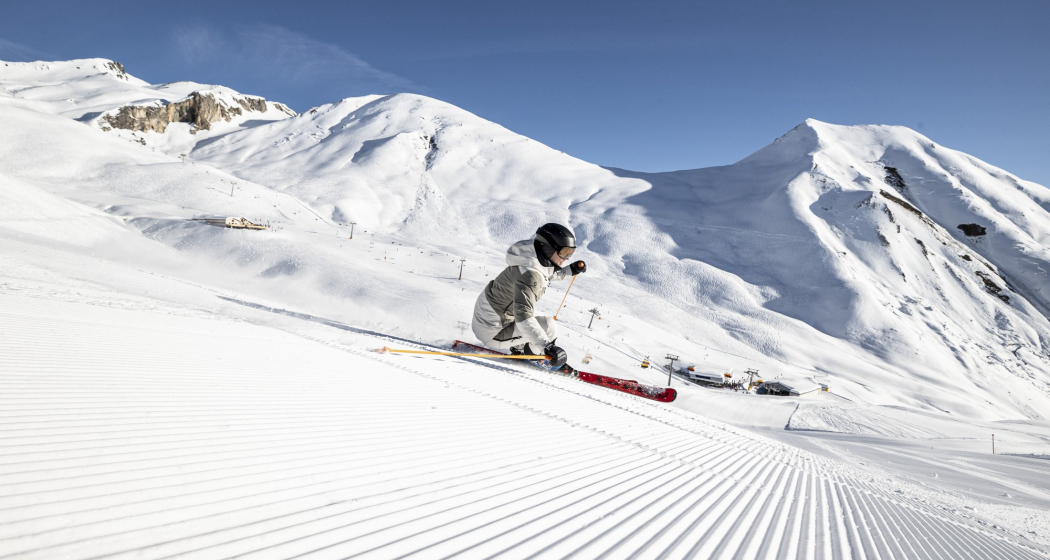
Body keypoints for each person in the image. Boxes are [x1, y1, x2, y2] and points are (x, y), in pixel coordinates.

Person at [471, 223, 587, 369]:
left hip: (489, 319)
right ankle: (536, 358)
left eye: (570, 253)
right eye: (564, 252)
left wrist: (570, 270)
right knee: (548, 327)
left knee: (538, 325)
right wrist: (547, 347)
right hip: (493, 330)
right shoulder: (530, 275)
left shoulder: (532, 258)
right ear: (548, 248)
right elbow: (523, 317)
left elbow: (546, 273)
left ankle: (520, 348)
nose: (567, 258)